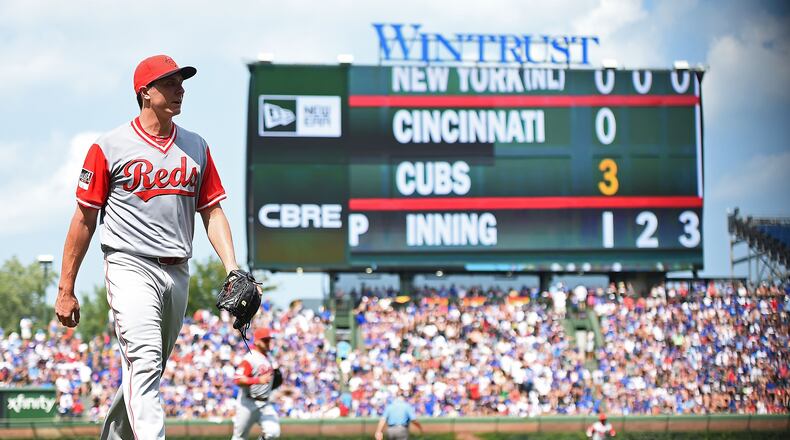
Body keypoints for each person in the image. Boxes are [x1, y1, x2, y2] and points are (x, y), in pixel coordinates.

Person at [54, 54, 241, 440]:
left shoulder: (196, 146)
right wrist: (66, 288)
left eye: (181, 82)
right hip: (129, 265)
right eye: (170, 83)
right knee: (145, 358)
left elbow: (213, 211)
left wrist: (233, 268)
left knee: (147, 370)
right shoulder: (109, 146)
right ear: (145, 93)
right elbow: (84, 218)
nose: (180, 89)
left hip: (178, 271)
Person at [232, 327, 281, 440]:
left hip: (265, 403)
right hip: (248, 403)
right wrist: (258, 380)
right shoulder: (250, 358)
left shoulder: (269, 357)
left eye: (269, 340)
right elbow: (238, 379)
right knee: (239, 438)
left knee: (273, 432)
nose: (268, 342)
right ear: (257, 341)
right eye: (265, 340)